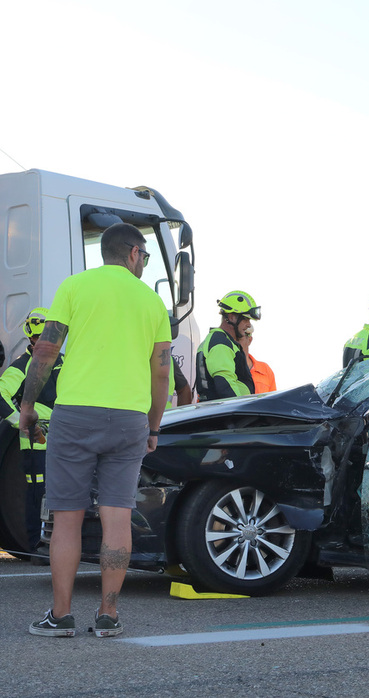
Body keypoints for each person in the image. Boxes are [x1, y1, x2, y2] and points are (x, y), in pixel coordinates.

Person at [19, 223, 171, 638]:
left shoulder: (74, 287)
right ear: (135, 253)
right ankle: (109, 616)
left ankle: (61, 615)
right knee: (117, 517)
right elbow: (162, 375)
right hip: (128, 420)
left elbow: (46, 351)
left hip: (76, 415)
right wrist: (153, 425)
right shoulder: (152, 302)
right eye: (146, 257)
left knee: (66, 519)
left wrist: (28, 404)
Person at [0, 308, 63, 559]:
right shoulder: (21, 366)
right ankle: (35, 548)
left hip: (63, 440)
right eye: (40, 337)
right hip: (36, 444)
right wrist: (20, 422)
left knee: (61, 496)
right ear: (31, 337)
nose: (45, 342)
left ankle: (56, 546)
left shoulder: (64, 362)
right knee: (37, 496)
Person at [195, 290, 260, 401]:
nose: (249, 324)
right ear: (231, 317)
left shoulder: (222, 341)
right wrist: (241, 411)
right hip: (226, 414)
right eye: (245, 318)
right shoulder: (221, 343)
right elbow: (225, 385)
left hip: (223, 412)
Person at [241, 329, 276, 393]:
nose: (234, 342)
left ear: (249, 340)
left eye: (239, 338)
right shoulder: (228, 367)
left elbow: (273, 400)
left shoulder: (265, 369)